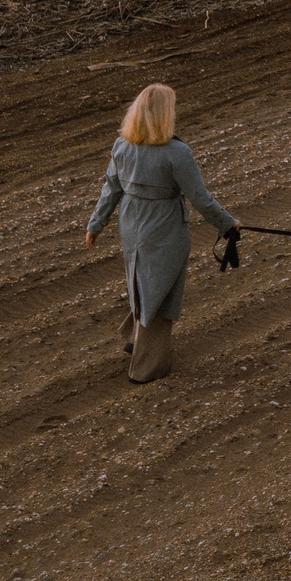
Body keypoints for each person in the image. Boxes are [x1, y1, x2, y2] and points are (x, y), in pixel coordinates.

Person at [83, 83, 240, 383]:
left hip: (131, 224)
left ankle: (134, 338)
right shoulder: (177, 153)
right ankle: (146, 368)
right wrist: (227, 223)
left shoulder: (121, 146)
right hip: (164, 227)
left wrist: (95, 225)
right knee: (161, 290)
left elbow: (110, 189)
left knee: (142, 281)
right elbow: (200, 198)